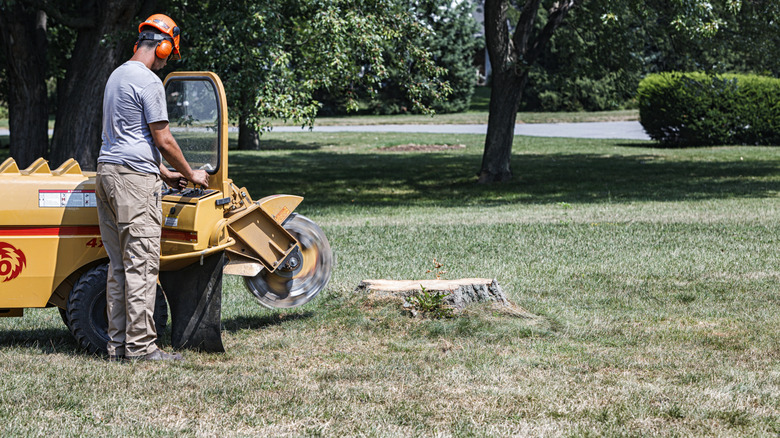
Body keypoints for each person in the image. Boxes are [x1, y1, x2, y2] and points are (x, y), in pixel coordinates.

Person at [96, 14, 209, 362]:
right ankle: (143, 349)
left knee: (118, 267)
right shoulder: (148, 81)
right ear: (162, 46)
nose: (165, 62)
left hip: (108, 173)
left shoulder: (117, 75)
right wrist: (191, 174)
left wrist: (161, 172)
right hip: (133, 182)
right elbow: (163, 138)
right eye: (168, 54)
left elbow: (127, 136)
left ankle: (118, 346)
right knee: (142, 266)